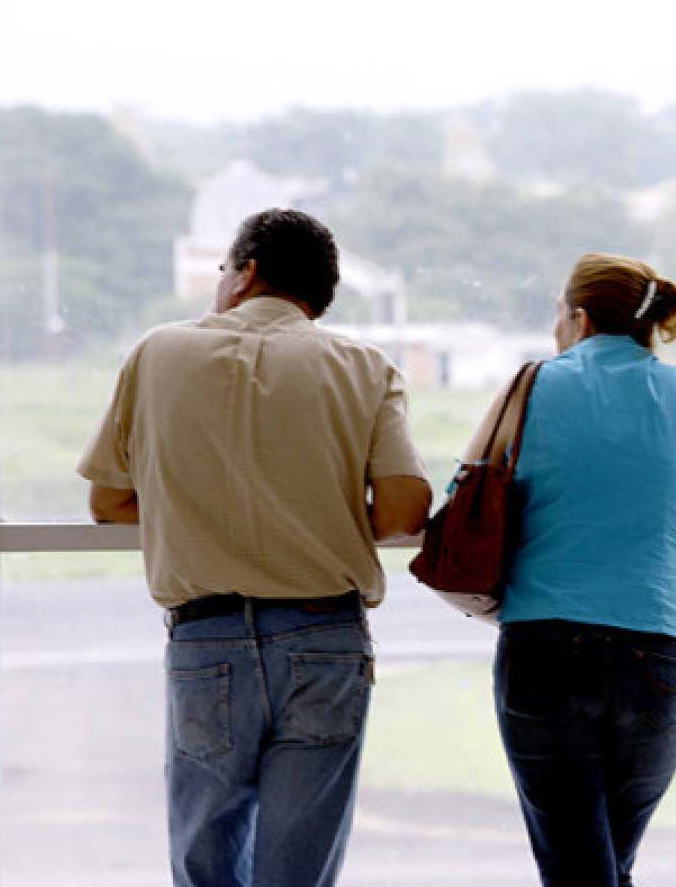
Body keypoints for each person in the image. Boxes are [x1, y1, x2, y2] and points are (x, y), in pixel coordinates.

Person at [77, 208, 431, 887]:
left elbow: (108, 501)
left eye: (221, 270)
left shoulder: (157, 353)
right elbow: (404, 511)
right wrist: (316, 509)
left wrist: (197, 508)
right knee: (300, 866)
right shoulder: (363, 367)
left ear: (246, 273)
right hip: (324, 635)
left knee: (205, 859)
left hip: (206, 638)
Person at [469, 253, 676, 886]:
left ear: (578, 318)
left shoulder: (530, 386)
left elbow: (468, 503)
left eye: (558, 312)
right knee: (609, 859)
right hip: (659, 652)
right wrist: (652, 512)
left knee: (577, 864)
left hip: (544, 643)